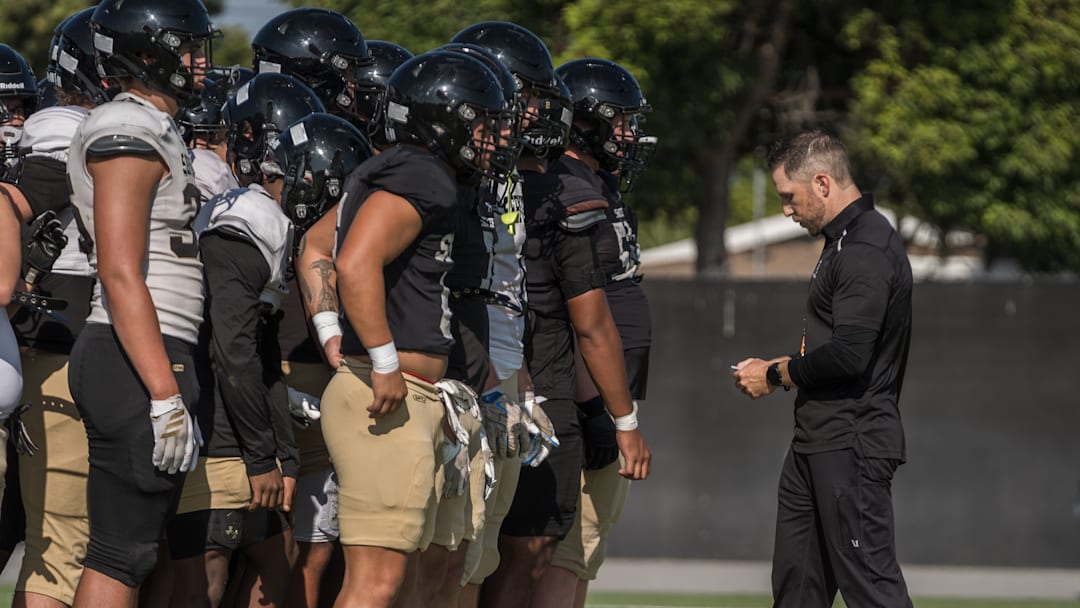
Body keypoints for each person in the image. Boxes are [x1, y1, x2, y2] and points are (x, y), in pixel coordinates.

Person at [302, 50, 513, 608]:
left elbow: (317, 246)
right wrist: (382, 359)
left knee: (408, 580)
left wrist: (332, 333)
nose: (491, 138)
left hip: (411, 393)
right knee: (377, 584)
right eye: (480, 123)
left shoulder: (400, 170)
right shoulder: (422, 174)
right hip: (390, 394)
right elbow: (352, 262)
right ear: (444, 121)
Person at [65, 0, 216, 603]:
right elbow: (120, 270)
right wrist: (163, 393)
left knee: (142, 550)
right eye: (186, 48)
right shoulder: (123, 126)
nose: (199, 63)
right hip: (135, 355)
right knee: (120, 553)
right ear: (147, 53)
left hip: (152, 348)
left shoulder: (156, 125)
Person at [734, 130, 913, 608]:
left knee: (872, 590)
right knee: (796, 590)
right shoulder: (841, 243)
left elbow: (851, 354)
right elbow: (834, 346)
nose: (787, 211)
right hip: (816, 442)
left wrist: (777, 375)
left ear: (822, 183)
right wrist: (784, 366)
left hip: (851, 445)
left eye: (789, 198)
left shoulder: (866, 250)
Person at [538, 57, 657, 608]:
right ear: (584, 121)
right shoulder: (565, 184)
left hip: (610, 398)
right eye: (620, 121)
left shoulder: (597, 181)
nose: (630, 135)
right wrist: (605, 411)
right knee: (567, 552)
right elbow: (577, 314)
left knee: (583, 552)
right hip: (591, 402)